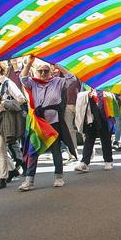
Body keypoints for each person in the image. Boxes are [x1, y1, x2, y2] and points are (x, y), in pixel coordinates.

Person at [18, 56, 76, 190]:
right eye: (40, 71)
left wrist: (57, 64)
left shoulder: (57, 81)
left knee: (56, 149)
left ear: (50, 71)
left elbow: (72, 78)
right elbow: (23, 79)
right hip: (38, 122)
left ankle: (58, 177)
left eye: (46, 71)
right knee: (33, 151)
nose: (43, 74)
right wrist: (29, 64)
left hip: (54, 121)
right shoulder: (33, 82)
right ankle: (29, 180)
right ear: (36, 72)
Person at [0, 62, 25, 190]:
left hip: (5, 119)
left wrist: (5, 104)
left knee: (1, 149)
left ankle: (2, 178)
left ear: (0, 68)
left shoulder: (7, 82)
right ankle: (12, 169)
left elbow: (21, 98)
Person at [74, 87, 114, 172]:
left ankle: (108, 160)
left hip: (104, 114)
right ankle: (85, 162)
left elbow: (114, 94)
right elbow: (80, 95)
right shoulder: (86, 82)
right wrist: (87, 94)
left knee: (105, 138)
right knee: (89, 138)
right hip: (90, 114)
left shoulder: (107, 82)